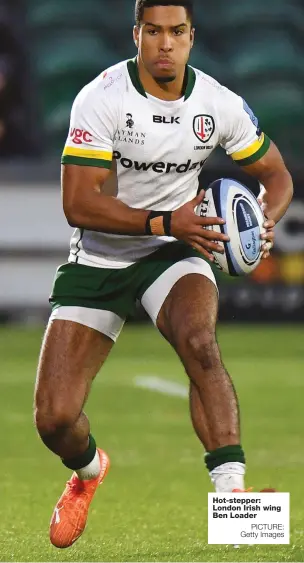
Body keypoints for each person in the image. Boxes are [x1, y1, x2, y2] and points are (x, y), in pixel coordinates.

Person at [34, 0, 293, 549]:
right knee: (55, 419)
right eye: (154, 31)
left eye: (177, 32)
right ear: (137, 35)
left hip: (177, 249)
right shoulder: (101, 98)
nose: (165, 44)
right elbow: (78, 204)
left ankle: (232, 496)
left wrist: (261, 223)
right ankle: (88, 470)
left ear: (192, 37)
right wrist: (165, 219)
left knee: (200, 341)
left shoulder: (217, 103)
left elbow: (276, 175)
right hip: (101, 257)